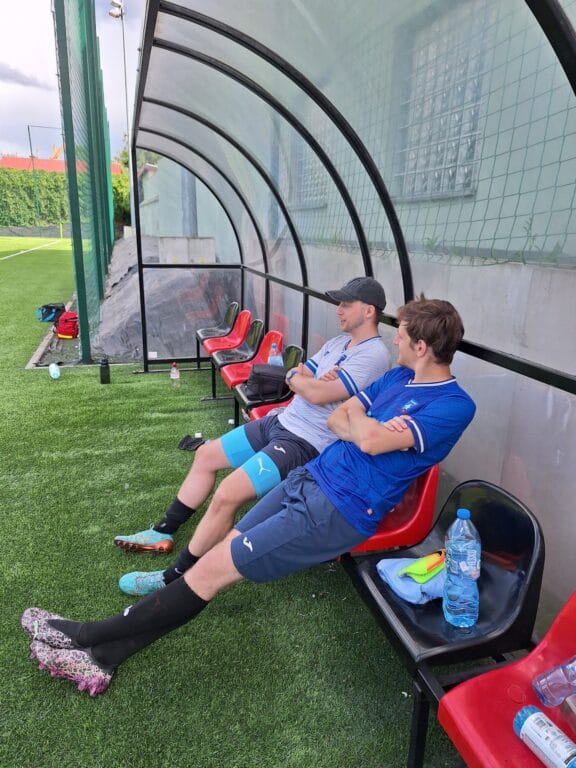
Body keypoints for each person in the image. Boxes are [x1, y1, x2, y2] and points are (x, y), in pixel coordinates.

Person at [21, 295, 476, 697]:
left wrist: (365, 430)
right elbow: (342, 419)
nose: (395, 341)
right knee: (215, 560)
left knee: (212, 570)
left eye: (404, 337)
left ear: (422, 347)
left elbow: (368, 439)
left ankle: (84, 635)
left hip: (339, 510)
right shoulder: (399, 379)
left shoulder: (454, 404)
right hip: (312, 477)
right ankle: (101, 657)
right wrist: (365, 427)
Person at [114, 277, 390, 596]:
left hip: (304, 443)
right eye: (338, 303)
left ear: (369, 311)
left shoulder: (374, 355)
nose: (338, 309)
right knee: (206, 456)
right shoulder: (339, 343)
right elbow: (296, 375)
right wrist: (304, 380)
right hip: (281, 420)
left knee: (227, 494)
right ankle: (163, 531)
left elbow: (314, 392)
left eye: (346, 304)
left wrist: (308, 383)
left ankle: (174, 576)